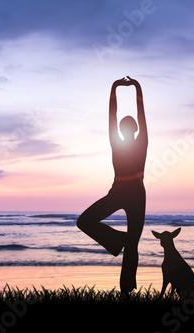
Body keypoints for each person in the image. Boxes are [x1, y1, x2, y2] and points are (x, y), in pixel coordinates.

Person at [76, 76, 148, 293]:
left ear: (134, 129)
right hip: (121, 191)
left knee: (131, 244)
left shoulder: (139, 142)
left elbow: (131, 114)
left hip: (133, 193)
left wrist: (125, 87)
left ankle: (126, 290)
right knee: (85, 221)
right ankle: (120, 241)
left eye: (127, 125)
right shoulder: (120, 143)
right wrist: (124, 87)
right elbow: (114, 116)